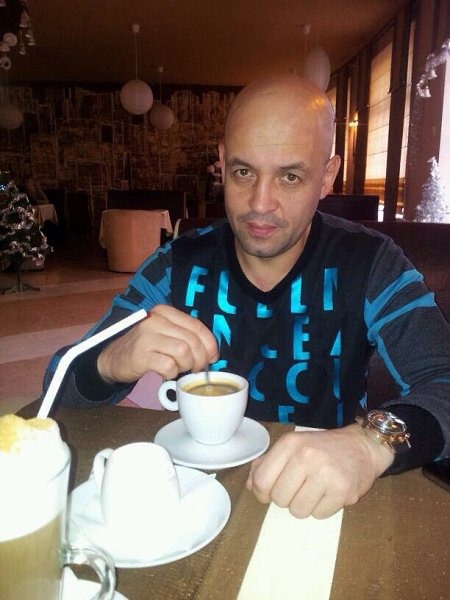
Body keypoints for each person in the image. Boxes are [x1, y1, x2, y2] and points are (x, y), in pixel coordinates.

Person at [43, 74, 450, 519]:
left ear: (327, 177)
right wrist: (107, 362)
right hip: (188, 499)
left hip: (320, 501)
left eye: (290, 176)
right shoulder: (175, 265)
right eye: (243, 172)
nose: (260, 202)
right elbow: (55, 393)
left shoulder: (370, 263)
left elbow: (444, 380)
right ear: (221, 164)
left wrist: (370, 445)